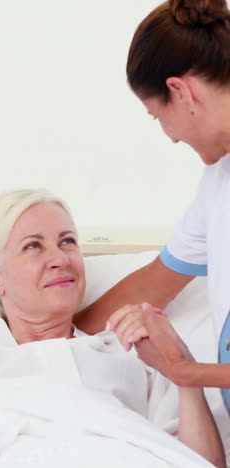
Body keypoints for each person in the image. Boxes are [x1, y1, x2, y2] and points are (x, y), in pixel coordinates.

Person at [0, 188, 225, 468]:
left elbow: (201, 463)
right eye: (33, 246)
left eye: (67, 242)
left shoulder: (134, 356)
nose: (61, 259)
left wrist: (183, 366)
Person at [74, 0, 230, 413]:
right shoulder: (219, 183)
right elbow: (156, 281)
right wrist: (50, 336)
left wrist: (185, 372)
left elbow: (183, 370)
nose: (171, 137)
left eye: (156, 116)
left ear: (180, 92)